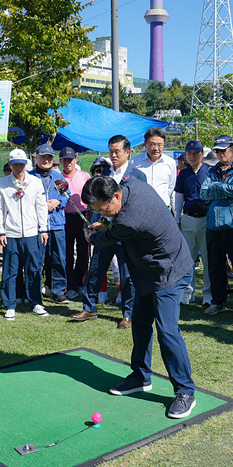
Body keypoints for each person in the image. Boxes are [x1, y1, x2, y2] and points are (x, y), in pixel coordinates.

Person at [83, 175, 197, 419]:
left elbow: (108, 238)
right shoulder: (131, 185)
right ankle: (141, 376)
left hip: (170, 271)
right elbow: (113, 224)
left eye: (103, 210)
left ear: (116, 196)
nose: (102, 215)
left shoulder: (129, 219)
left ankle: (185, 391)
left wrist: (92, 236)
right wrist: (106, 223)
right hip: (147, 272)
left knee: (167, 331)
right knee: (141, 323)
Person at [72, 137, 146, 326]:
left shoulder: (137, 175)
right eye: (111, 151)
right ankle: (89, 308)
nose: (113, 155)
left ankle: (128, 314)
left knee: (127, 274)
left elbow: (137, 207)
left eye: (117, 151)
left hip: (126, 233)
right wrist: (96, 223)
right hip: (104, 231)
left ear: (127, 152)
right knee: (95, 270)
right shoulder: (103, 173)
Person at [0, 149, 49, 320]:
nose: (18, 167)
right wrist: (1, 231)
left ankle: (36, 302)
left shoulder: (35, 182)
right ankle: (9, 304)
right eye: (15, 164)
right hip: (11, 233)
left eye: (21, 164)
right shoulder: (2, 183)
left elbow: (41, 206)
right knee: (10, 270)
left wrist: (43, 228)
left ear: (26, 164)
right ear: (10, 164)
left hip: (32, 232)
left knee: (34, 268)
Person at [200, 135, 233, 318]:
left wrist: (216, 187)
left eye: (223, 150)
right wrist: (221, 188)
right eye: (217, 151)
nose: (220, 154)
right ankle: (217, 301)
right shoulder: (212, 170)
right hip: (213, 226)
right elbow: (203, 193)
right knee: (215, 266)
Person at [29, 144, 70, 304]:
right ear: (36, 158)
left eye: (49, 157)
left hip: (57, 224)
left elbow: (67, 197)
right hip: (37, 225)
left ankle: (58, 291)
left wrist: (57, 201)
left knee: (59, 258)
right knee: (37, 260)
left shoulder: (58, 177)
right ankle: (34, 291)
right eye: (43, 157)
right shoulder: (30, 177)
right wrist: (41, 204)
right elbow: (24, 198)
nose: (46, 160)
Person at [174, 139, 211, 307]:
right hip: (188, 218)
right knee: (187, 259)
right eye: (189, 154)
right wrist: (176, 220)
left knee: (208, 258)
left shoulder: (210, 171)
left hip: (206, 219)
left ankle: (208, 295)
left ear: (202, 154)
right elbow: (179, 197)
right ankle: (187, 292)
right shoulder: (183, 174)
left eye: (195, 153)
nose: (192, 156)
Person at [60, 147, 91, 299]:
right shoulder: (57, 178)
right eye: (64, 160)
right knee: (66, 253)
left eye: (70, 159)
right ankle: (70, 285)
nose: (68, 162)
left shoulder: (85, 176)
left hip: (82, 217)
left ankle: (80, 282)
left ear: (76, 159)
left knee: (83, 252)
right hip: (64, 219)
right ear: (60, 162)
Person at [129, 127, 176, 209]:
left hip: (163, 207)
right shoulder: (134, 162)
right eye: (152, 144)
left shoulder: (170, 163)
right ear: (145, 144)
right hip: (141, 207)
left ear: (164, 145)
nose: (156, 148)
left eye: (159, 145)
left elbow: (170, 187)